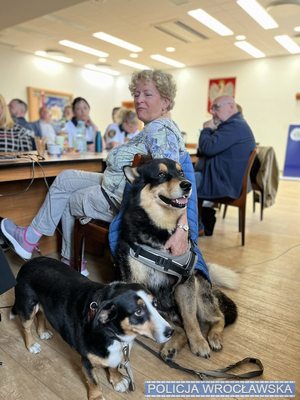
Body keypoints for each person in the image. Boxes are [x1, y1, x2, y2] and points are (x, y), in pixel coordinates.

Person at [0, 70, 208, 280]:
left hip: (118, 197)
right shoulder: (152, 128)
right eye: (136, 94)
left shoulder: (160, 130)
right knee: (64, 178)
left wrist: (182, 228)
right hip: (114, 183)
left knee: (71, 200)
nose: (139, 100)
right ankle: (32, 239)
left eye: (147, 94)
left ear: (165, 101)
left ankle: (71, 263)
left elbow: (171, 187)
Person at [195, 96, 256, 235]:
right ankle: (195, 224)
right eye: (212, 108)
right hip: (220, 178)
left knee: (184, 183)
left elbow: (207, 148)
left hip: (223, 183)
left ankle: (196, 227)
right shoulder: (233, 124)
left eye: (216, 107)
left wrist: (206, 129)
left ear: (230, 107)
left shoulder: (235, 126)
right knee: (184, 180)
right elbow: (205, 150)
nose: (212, 112)